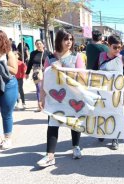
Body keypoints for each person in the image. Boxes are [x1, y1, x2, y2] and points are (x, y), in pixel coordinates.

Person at [37, 29, 85, 167]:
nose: (69, 42)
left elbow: (83, 78)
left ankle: (76, 146)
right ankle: (50, 155)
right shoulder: (50, 58)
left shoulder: (77, 57)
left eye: (70, 39)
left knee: (74, 123)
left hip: (73, 97)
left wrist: (63, 68)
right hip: (55, 99)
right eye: (65, 39)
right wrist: (41, 98)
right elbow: (45, 80)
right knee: (52, 124)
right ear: (59, 40)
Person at [96, 35, 124, 150]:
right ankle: (101, 132)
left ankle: (115, 138)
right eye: (115, 47)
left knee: (116, 115)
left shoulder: (122, 59)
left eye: (120, 48)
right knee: (103, 114)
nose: (118, 50)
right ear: (108, 46)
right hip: (103, 93)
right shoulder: (100, 57)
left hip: (117, 94)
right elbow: (93, 73)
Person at [26, 40, 52, 112]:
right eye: (37, 44)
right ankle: (40, 106)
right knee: (39, 88)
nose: (39, 45)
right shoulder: (33, 53)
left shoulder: (48, 53)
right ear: (35, 45)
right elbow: (30, 63)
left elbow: (52, 61)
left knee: (47, 88)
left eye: (40, 43)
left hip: (47, 73)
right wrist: (27, 73)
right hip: (37, 73)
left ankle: (47, 104)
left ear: (43, 45)